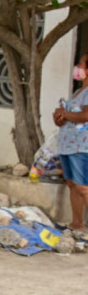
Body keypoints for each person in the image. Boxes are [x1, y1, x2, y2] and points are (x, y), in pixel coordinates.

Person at [53, 54, 88, 231]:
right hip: (68, 145)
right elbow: (71, 116)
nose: (77, 67)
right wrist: (59, 117)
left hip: (81, 146)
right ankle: (77, 223)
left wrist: (66, 115)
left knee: (83, 186)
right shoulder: (78, 92)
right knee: (73, 184)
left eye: (81, 64)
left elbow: (86, 115)